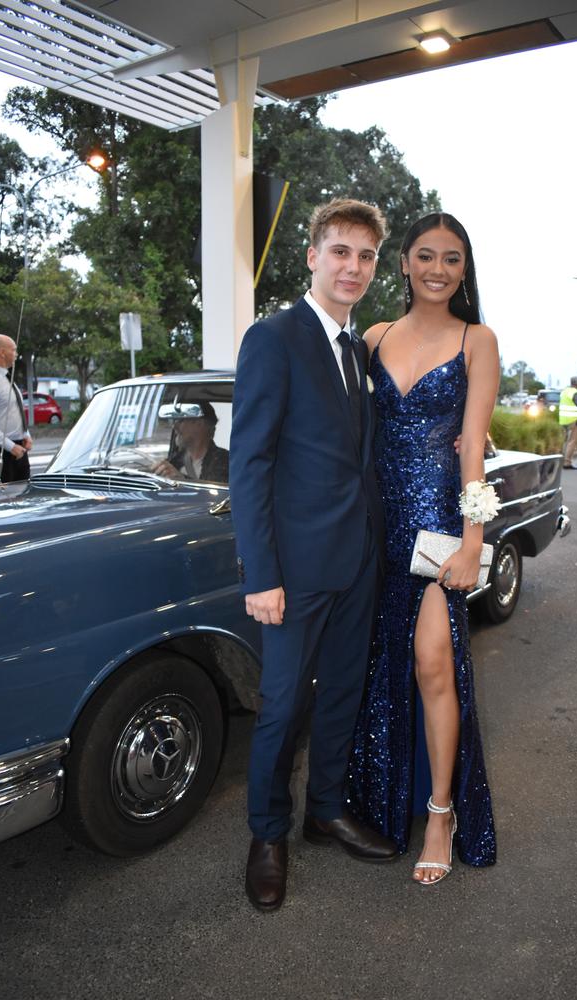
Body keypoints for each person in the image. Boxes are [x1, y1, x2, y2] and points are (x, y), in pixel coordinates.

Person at [229, 198, 398, 913]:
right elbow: (250, 462)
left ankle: (324, 811)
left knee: (344, 696)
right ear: (312, 256)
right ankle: (267, 835)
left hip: (359, 559)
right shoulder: (274, 337)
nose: (352, 267)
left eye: (364, 256)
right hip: (293, 571)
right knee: (281, 707)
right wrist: (262, 574)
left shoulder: (358, 350)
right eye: (340, 252)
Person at [347, 212, 500, 885]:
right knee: (378, 668)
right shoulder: (373, 336)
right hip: (377, 530)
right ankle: (381, 794)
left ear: (464, 271)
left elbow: (473, 457)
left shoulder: (477, 339)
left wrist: (474, 542)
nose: (439, 269)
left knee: (434, 663)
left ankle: (441, 812)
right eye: (427, 256)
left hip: (439, 529)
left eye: (454, 259)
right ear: (403, 263)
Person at [153, 400, 229, 483]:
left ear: (199, 424)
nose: (175, 426)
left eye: (180, 421)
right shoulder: (173, 461)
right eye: (174, 421)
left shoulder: (226, 461)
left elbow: (219, 493)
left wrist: (181, 479)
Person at [0, 334, 32, 484]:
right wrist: (11, 446)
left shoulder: (8, 379)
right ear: (2, 352)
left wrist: (25, 434)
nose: (16, 354)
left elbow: (14, 411)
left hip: (19, 449)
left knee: (23, 498)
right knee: (1, 502)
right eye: (13, 350)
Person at [559, 376, 577, 470]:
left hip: (563, 420)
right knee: (572, 441)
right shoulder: (575, 393)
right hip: (573, 420)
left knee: (565, 441)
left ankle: (562, 460)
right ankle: (567, 462)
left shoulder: (564, 392)